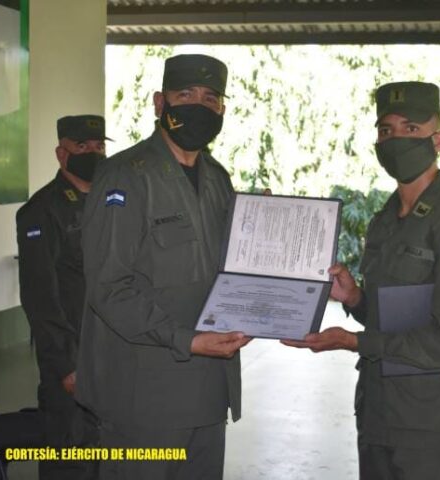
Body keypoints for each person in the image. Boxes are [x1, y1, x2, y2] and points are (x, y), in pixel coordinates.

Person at [283, 81, 440, 479]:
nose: (397, 139)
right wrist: (356, 299)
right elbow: (398, 315)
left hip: (438, 425)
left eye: (411, 128)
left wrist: (353, 342)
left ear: (438, 139)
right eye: (386, 130)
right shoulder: (386, 219)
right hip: (382, 413)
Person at [75, 53, 251, 480]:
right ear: (160, 103)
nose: (199, 106)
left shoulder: (218, 179)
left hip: (209, 389)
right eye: (185, 94)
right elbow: (109, 287)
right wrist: (185, 339)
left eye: (210, 98)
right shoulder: (124, 176)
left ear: (222, 109)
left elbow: (233, 267)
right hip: (144, 396)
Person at [16, 114, 109, 479]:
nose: (93, 153)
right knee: (71, 455)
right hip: (72, 355)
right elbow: (40, 297)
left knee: (108, 452)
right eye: (82, 146)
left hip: (109, 350)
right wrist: (66, 364)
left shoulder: (110, 201)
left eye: (99, 146)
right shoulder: (41, 210)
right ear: (61, 153)